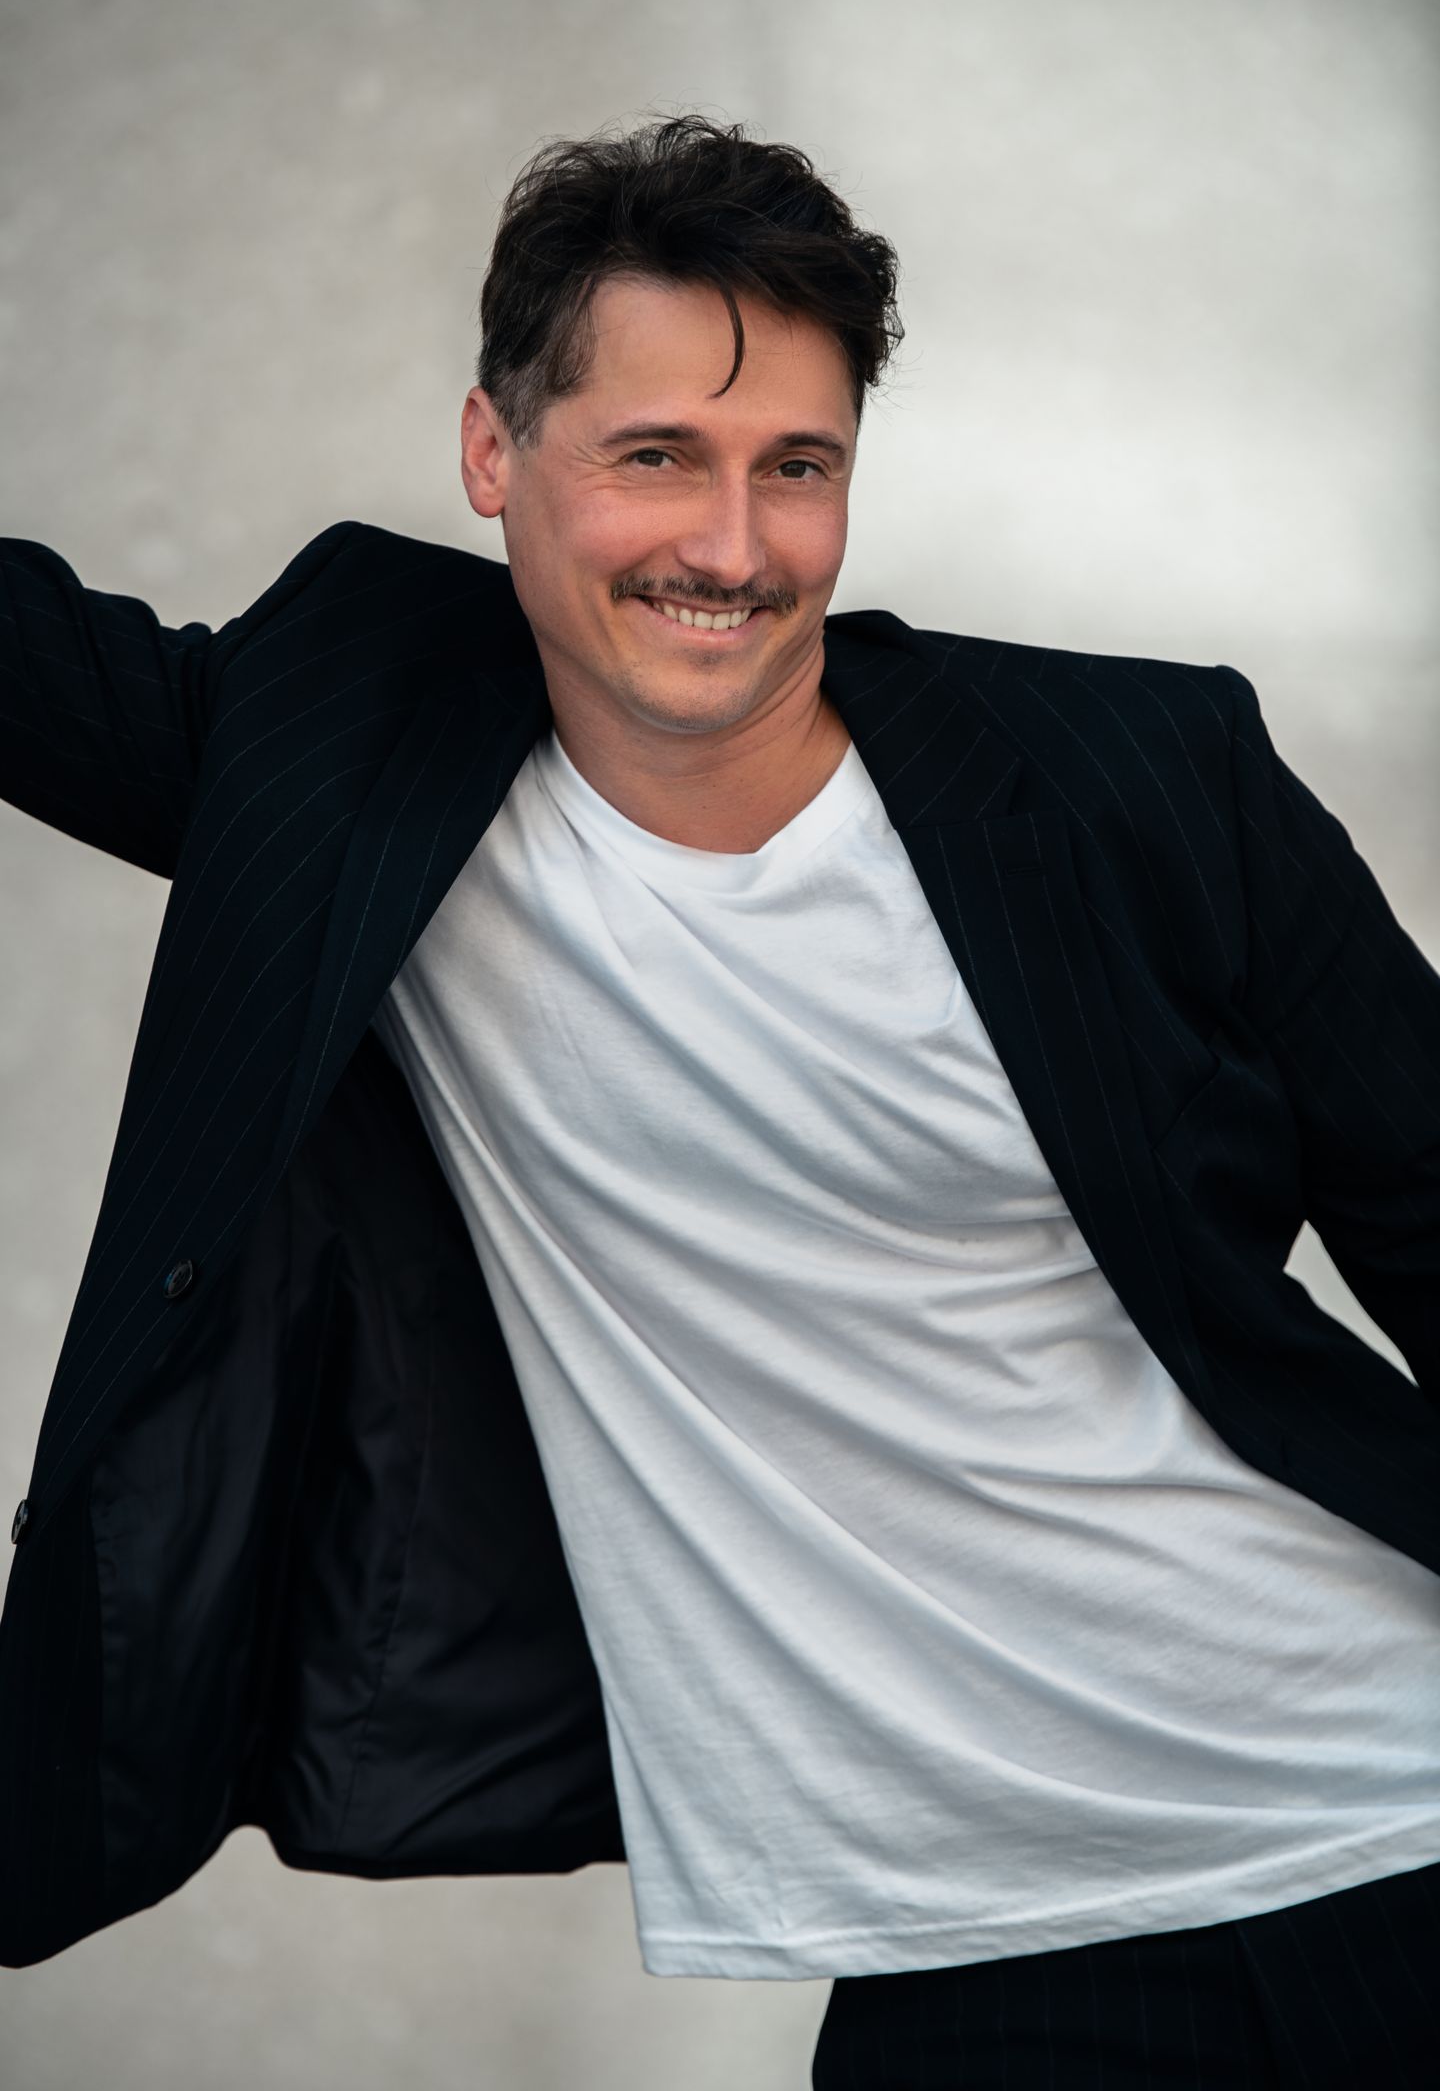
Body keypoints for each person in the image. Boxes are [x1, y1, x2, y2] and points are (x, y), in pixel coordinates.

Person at [1, 112, 1437, 2085]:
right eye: (656, 455)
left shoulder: (1138, 778)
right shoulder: (352, 778)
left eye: (797, 467)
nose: (733, 547)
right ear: (494, 451)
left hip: (1393, 1811)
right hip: (975, 1951)